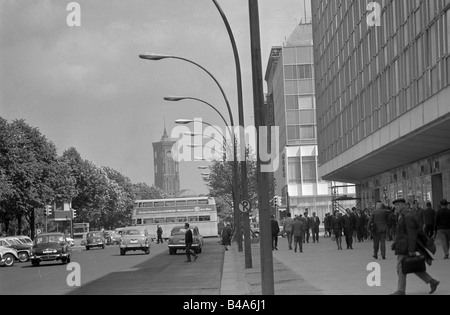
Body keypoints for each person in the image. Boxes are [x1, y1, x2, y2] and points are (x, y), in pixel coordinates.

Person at [391, 198, 439, 295]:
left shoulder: (408, 216)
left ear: (404, 205)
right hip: (402, 245)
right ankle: (432, 281)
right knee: (411, 266)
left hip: (406, 246)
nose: (396, 207)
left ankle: (400, 290)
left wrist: (411, 250)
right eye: (395, 205)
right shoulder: (403, 215)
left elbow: (412, 234)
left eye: (398, 205)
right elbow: (401, 232)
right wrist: (395, 243)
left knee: (401, 267)